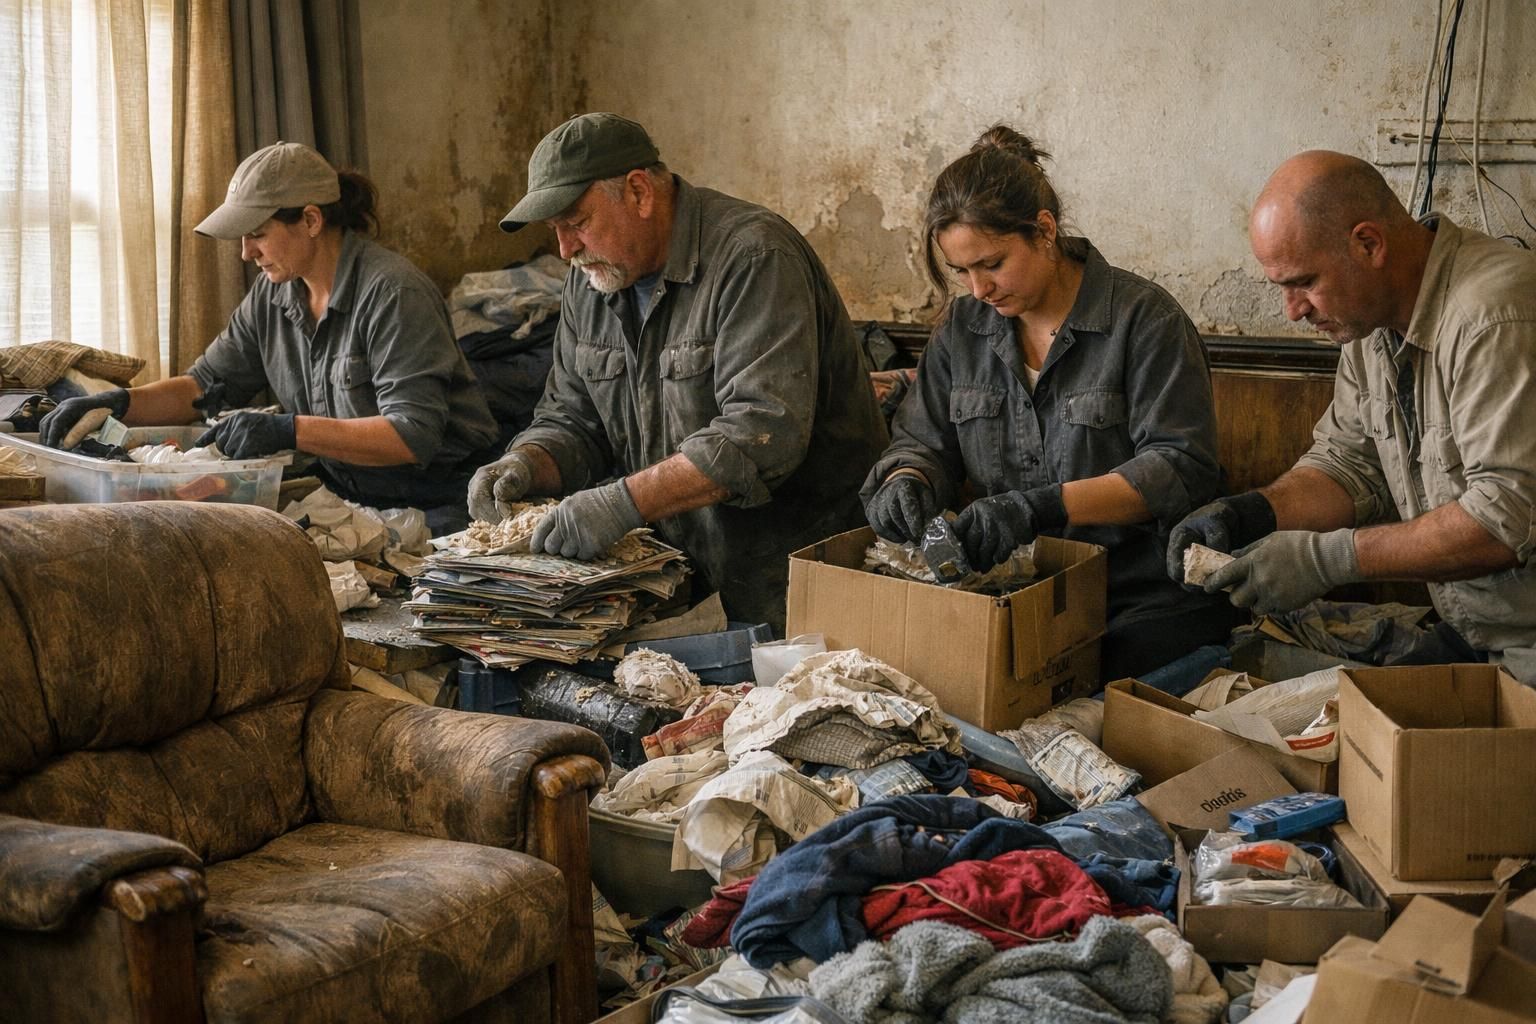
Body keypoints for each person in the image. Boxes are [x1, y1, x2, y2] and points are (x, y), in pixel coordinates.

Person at [470, 112, 888, 632]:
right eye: (554, 230)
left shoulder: (754, 256)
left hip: (794, 575)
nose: (565, 249)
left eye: (576, 223)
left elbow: (761, 434)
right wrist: (528, 461)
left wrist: (621, 503)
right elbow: (573, 417)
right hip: (682, 574)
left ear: (639, 192)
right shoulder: (590, 281)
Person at [863, 126, 1235, 682]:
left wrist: (1041, 507)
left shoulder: (1144, 320)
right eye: (961, 272)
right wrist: (907, 478)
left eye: (992, 263)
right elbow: (923, 441)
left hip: (1138, 593)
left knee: (1082, 686)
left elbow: (1179, 468)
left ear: (1044, 230)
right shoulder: (962, 330)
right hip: (1016, 589)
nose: (978, 289)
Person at [1169, 150, 1536, 682]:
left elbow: (1504, 520)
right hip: (1475, 631)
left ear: (1369, 244)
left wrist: (1327, 560)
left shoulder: (1493, 317)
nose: (1293, 309)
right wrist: (1247, 514)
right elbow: (1349, 463)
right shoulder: (1368, 321)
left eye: (1303, 282)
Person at [38, 141, 500, 532]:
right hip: (348, 493)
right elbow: (203, 386)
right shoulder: (273, 293)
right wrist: (117, 403)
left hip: (442, 503)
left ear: (311, 221)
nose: (246, 253)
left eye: (257, 234)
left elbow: (410, 435)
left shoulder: (393, 293)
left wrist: (289, 430)